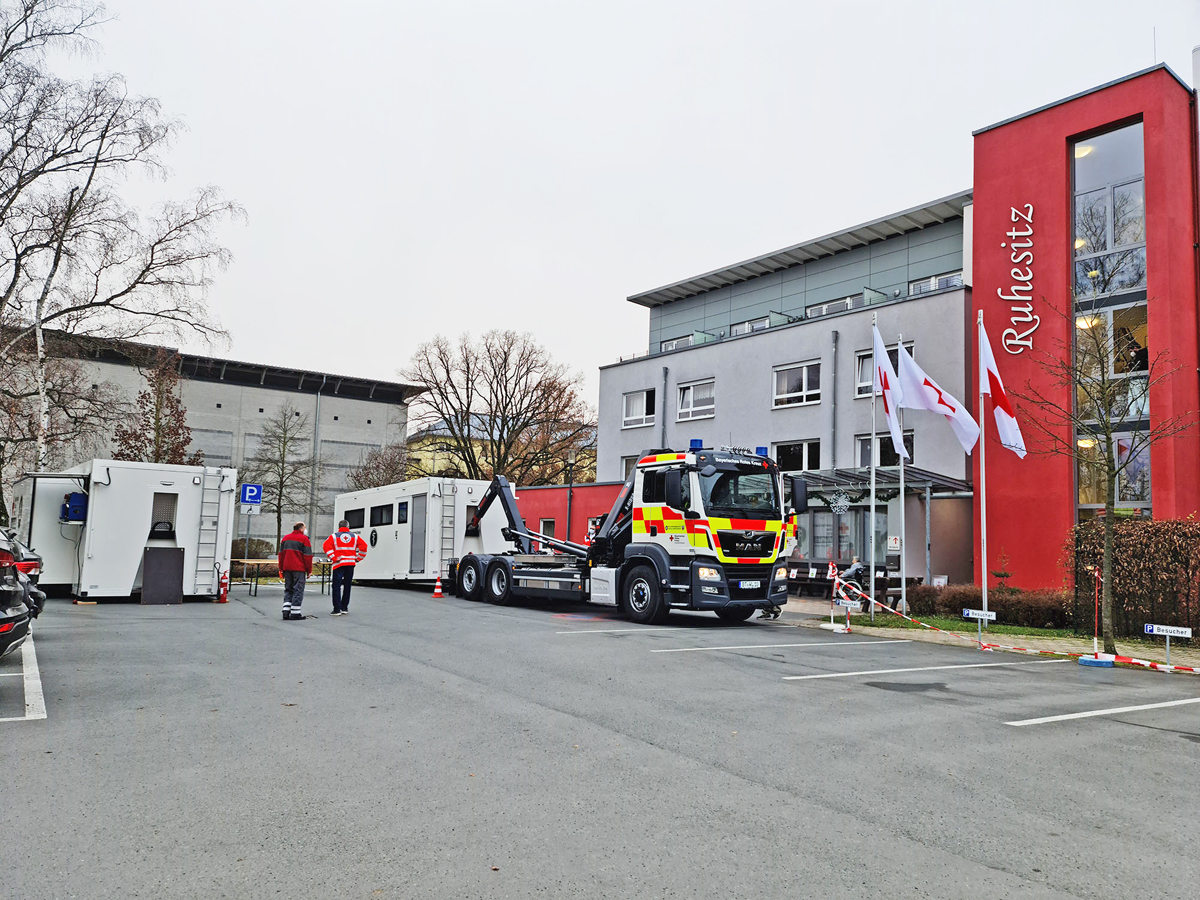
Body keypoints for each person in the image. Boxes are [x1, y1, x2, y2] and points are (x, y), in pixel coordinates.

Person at [323, 520, 367, 616]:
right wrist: (358, 558)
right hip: (350, 564)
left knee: (336, 586)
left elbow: (326, 546)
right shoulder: (355, 536)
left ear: (339, 527)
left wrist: (333, 557)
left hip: (338, 564)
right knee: (347, 586)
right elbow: (364, 546)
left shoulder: (334, 536)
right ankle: (344, 607)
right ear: (348, 526)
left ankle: (337, 609)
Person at [278, 521, 313, 620]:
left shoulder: (285, 538)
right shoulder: (304, 539)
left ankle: (286, 611)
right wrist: (309, 570)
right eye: (305, 528)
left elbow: (281, 555)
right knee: (298, 589)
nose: (305, 530)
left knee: (288, 589)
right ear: (301, 529)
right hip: (299, 568)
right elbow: (307, 556)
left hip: (287, 568)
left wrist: (281, 568)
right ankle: (295, 612)